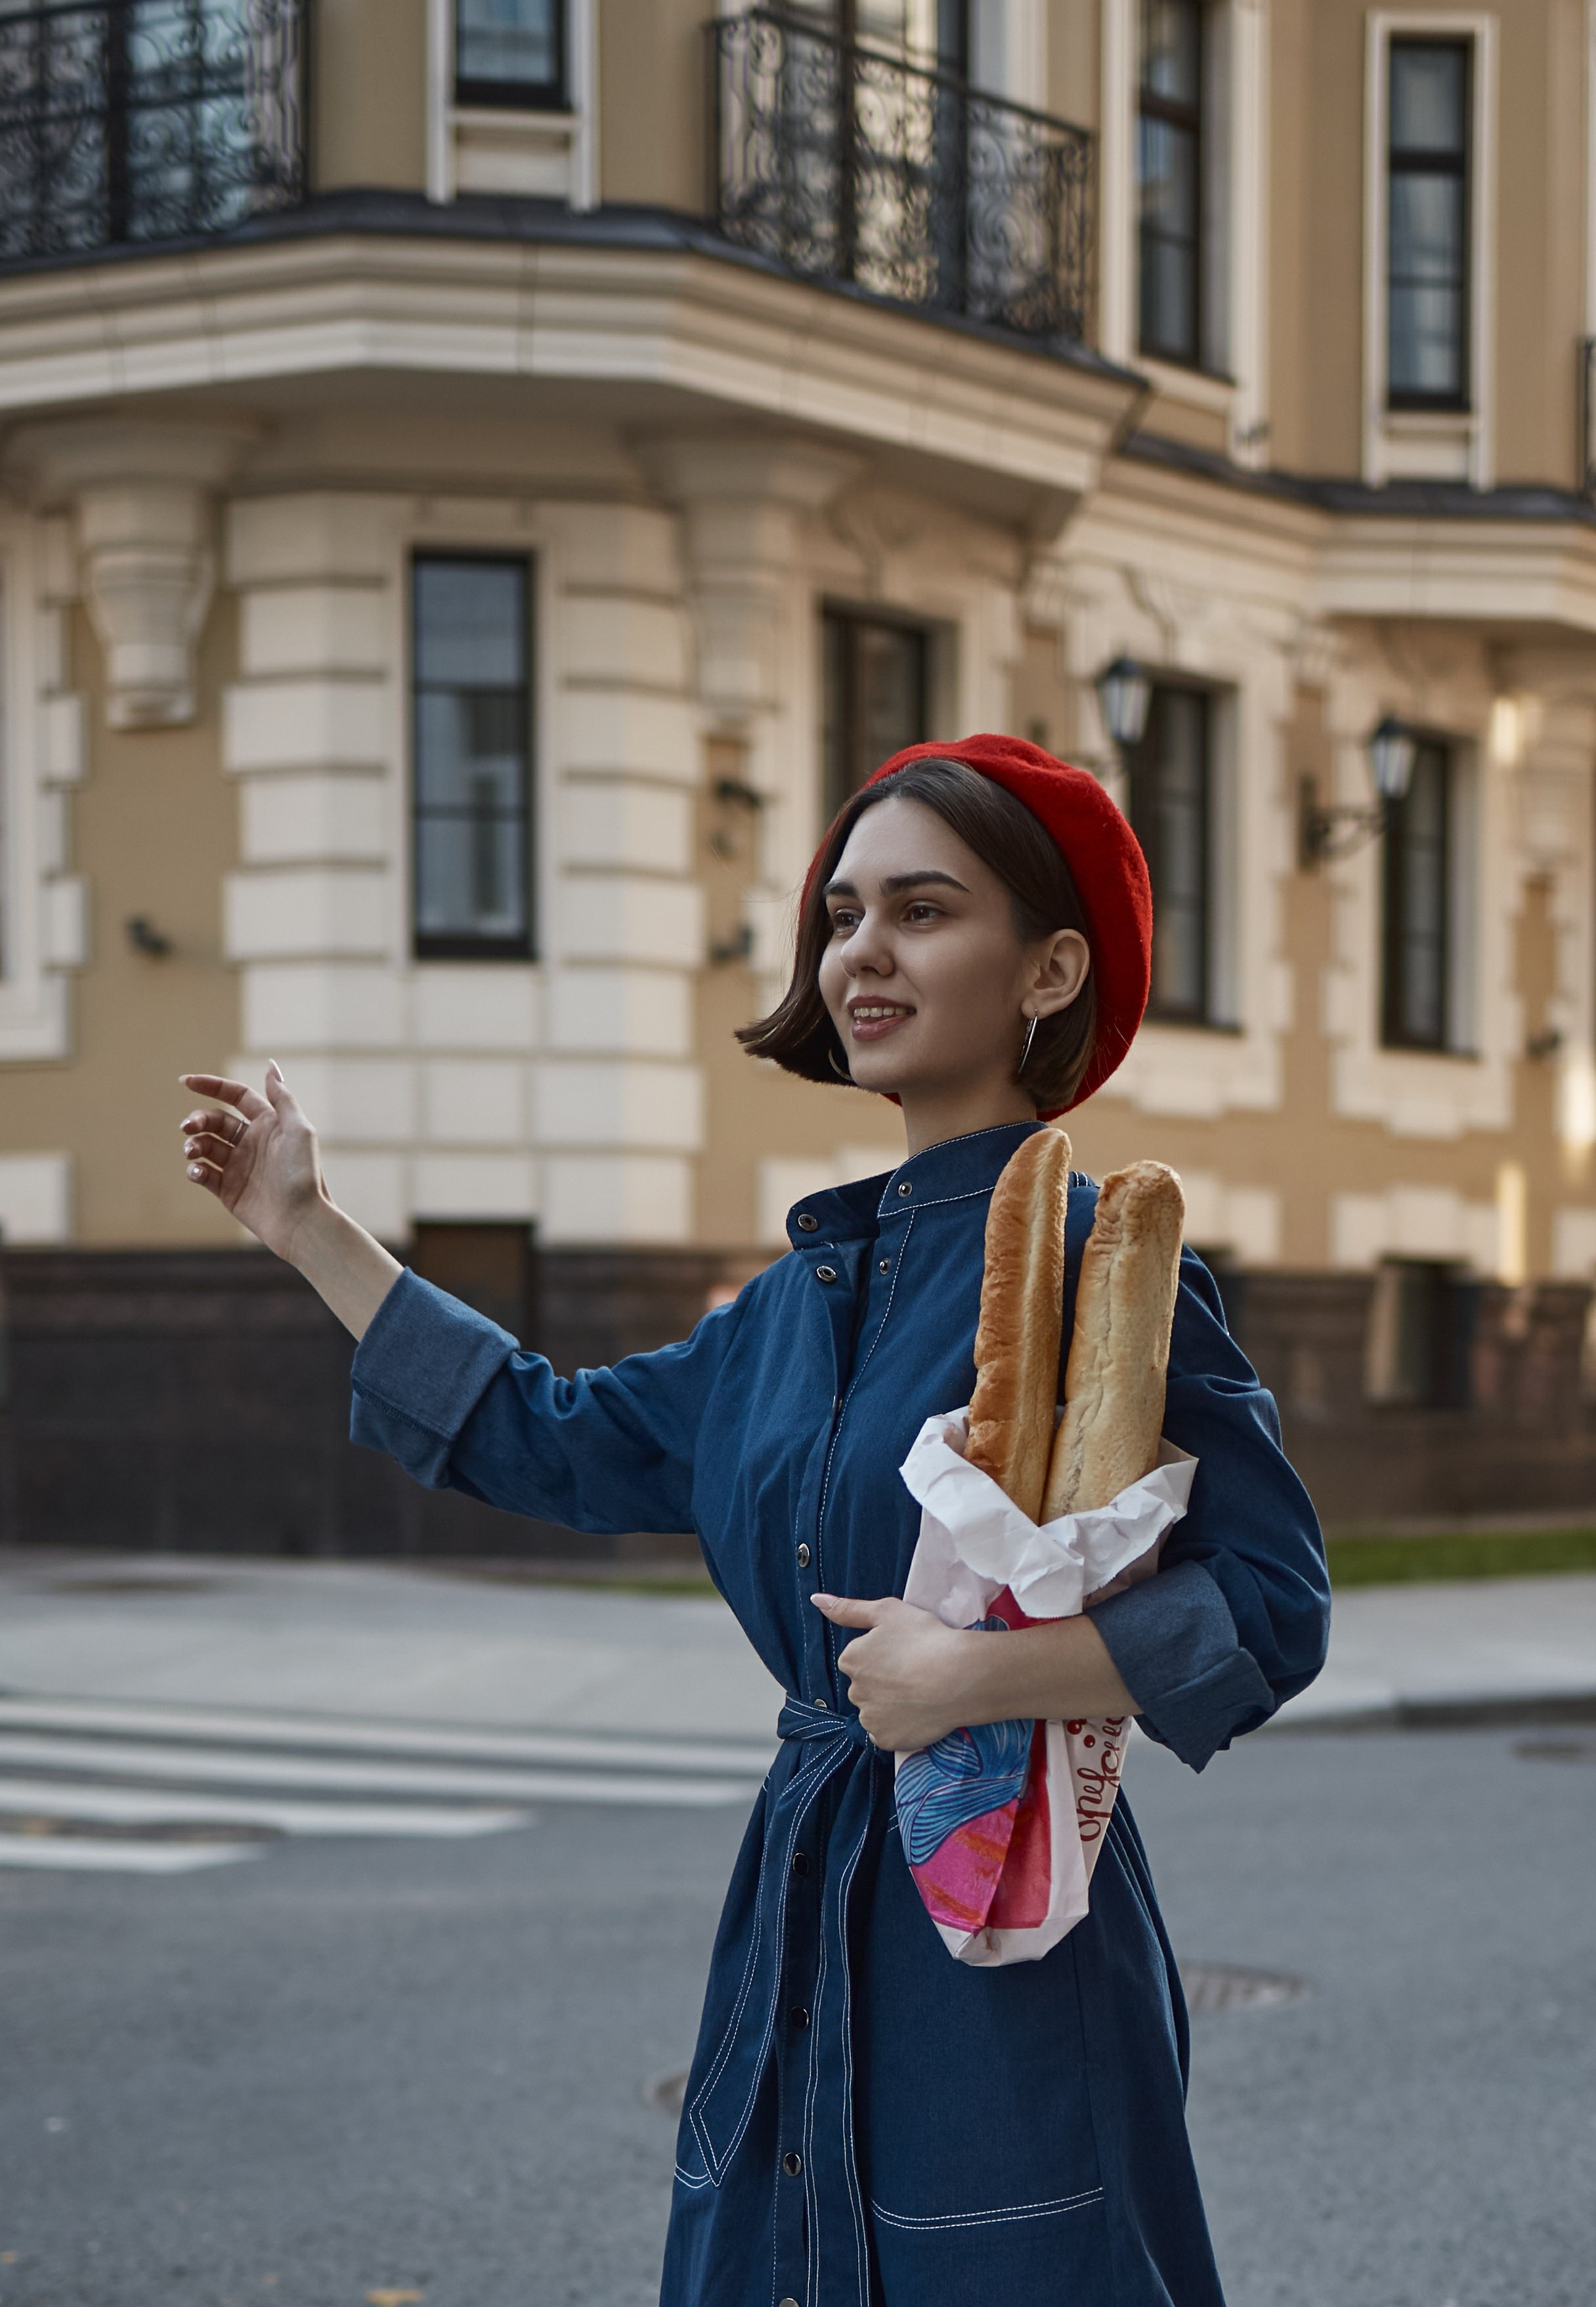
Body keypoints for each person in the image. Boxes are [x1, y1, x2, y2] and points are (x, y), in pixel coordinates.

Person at [179, 733, 1329, 2307]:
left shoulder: (1102, 1273)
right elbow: (553, 1435)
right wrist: (308, 1229)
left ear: (1050, 965)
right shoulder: (792, 1309)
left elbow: (1271, 1605)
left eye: (923, 911)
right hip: (798, 1912)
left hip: (999, 1925)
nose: (863, 952)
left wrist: (979, 1678)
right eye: (845, 914)